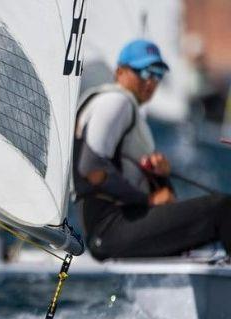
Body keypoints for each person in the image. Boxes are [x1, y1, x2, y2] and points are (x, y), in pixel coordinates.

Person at [73, 40, 231, 260]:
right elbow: (91, 170)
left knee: (216, 215)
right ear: (120, 72)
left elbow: (160, 198)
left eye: (157, 74)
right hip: (111, 229)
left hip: (121, 225)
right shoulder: (117, 102)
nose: (151, 82)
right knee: (223, 208)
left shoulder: (118, 106)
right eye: (144, 72)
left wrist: (159, 176)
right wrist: (148, 200)